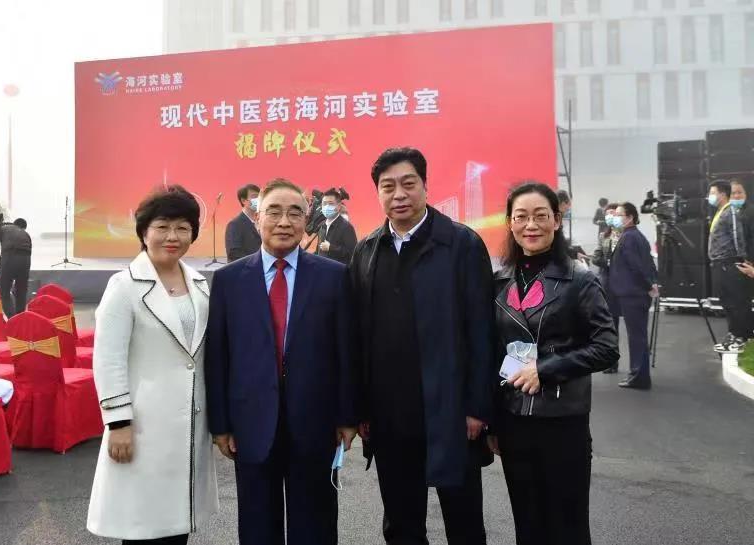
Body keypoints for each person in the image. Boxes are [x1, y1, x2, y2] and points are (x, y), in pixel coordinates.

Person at [350, 147, 495, 545]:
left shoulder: (462, 244)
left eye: (408, 183)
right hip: (389, 415)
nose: (399, 194)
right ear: (378, 193)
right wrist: (362, 408)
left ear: (425, 186)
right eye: (388, 187)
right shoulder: (367, 250)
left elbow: (482, 331)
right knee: (401, 523)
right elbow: (358, 338)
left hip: (451, 411)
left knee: (464, 521)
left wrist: (477, 406)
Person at [205, 178, 358, 545]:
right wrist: (220, 424)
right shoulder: (228, 281)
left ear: (307, 220)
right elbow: (219, 356)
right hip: (251, 422)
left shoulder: (333, 276)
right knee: (258, 525)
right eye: (274, 212)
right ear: (257, 217)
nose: (284, 222)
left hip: (316, 422)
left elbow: (347, 351)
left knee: (315, 526)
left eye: (295, 213)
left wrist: (347, 416)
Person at [87, 186, 219, 544]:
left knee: (177, 523)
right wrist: (118, 422)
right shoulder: (124, 286)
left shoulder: (199, 285)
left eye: (182, 228)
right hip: (143, 427)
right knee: (142, 524)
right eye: (162, 226)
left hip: (189, 426)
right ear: (144, 232)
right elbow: (108, 358)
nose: (172, 236)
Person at [488, 182, 619, 545]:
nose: (531, 225)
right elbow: (492, 351)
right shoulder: (499, 281)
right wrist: (493, 420)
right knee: (527, 524)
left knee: (567, 527)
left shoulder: (580, 280)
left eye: (541, 216)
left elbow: (607, 347)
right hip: (514, 421)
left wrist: (545, 370)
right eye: (521, 217)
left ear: (557, 220)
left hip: (562, 422)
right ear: (510, 223)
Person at [608, 203, 658, 389]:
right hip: (636, 293)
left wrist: (648, 285)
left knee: (636, 337)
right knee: (638, 336)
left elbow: (636, 266)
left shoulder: (629, 238)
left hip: (633, 294)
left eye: (619, 214)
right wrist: (652, 283)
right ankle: (638, 374)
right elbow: (648, 263)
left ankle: (639, 376)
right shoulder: (637, 236)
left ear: (629, 217)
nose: (615, 217)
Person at [706, 179, 751, 351]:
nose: (710, 196)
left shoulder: (730, 210)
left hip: (730, 262)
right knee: (727, 301)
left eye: (713, 193)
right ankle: (733, 333)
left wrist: (741, 258)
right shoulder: (720, 212)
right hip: (719, 263)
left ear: (723, 194)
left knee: (736, 302)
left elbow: (737, 235)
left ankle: (741, 337)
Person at [591, 202, 621, 373]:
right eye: (607, 213)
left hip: (624, 284)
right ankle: (612, 362)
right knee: (611, 325)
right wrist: (608, 263)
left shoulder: (626, 235)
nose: (610, 216)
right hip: (607, 283)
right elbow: (596, 257)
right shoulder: (604, 235)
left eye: (613, 213)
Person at [0, 217, 32, 318]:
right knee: (21, 291)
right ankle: (20, 318)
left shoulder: (4, 228)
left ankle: (12, 319)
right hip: (25, 261)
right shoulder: (26, 234)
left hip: (10, 257)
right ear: (23, 227)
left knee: (4, 291)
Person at [315, 188, 358, 265]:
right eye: (324, 204)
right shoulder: (322, 226)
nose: (327, 206)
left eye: (330, 203)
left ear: (339, 206)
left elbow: (353, 253)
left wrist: (331, 248)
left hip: (339, 271)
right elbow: (319, 251)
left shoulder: (346, 227)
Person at [225, 183, 261, 262]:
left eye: (259, 196)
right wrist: (256, 262)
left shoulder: (262, 221)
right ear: (243, 201)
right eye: (254, 196)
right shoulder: (234, 224)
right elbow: (234, 253)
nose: (258, 199)